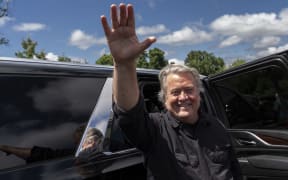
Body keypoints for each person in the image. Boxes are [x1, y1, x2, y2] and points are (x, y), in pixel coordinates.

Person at [101, 3, 243, 180]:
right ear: (164, 98)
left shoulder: (217, 126)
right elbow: (128, 114)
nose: (183, 97)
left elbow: (235, 170)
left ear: (199, 93)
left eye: (189, 90)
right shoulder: (154, 129)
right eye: (175, 92)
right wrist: (124, 65)